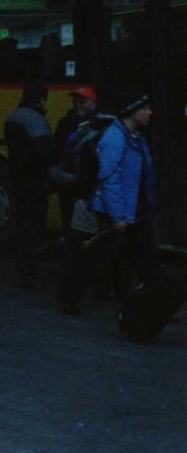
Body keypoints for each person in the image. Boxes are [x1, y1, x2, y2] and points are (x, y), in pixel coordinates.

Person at [93, 93, 157, 300]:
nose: (150, 112)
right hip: (123, 210)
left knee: (136, 256)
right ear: (132, 111)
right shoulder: (115, 138)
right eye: (145, 108)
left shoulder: (135, 136)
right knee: (122, 256)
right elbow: (108, 178)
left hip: (135, 208)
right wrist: (118, 215)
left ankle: (145, 301)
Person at [4, 83, 53, 288]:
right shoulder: (35, 120)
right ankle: (31, 271)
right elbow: (44, 152)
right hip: (35, 180)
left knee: (22, 224)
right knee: (34, 226)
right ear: (40, 99)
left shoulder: (13, 116)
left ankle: (21, 270)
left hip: (18, 177)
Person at [52, 86, 98, 231]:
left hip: (73, 176)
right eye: (77, 101)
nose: (78, 104)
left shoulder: (67, 122)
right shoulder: (71, 122)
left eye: (82, 101)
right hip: (75, 177)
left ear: (92, 103)